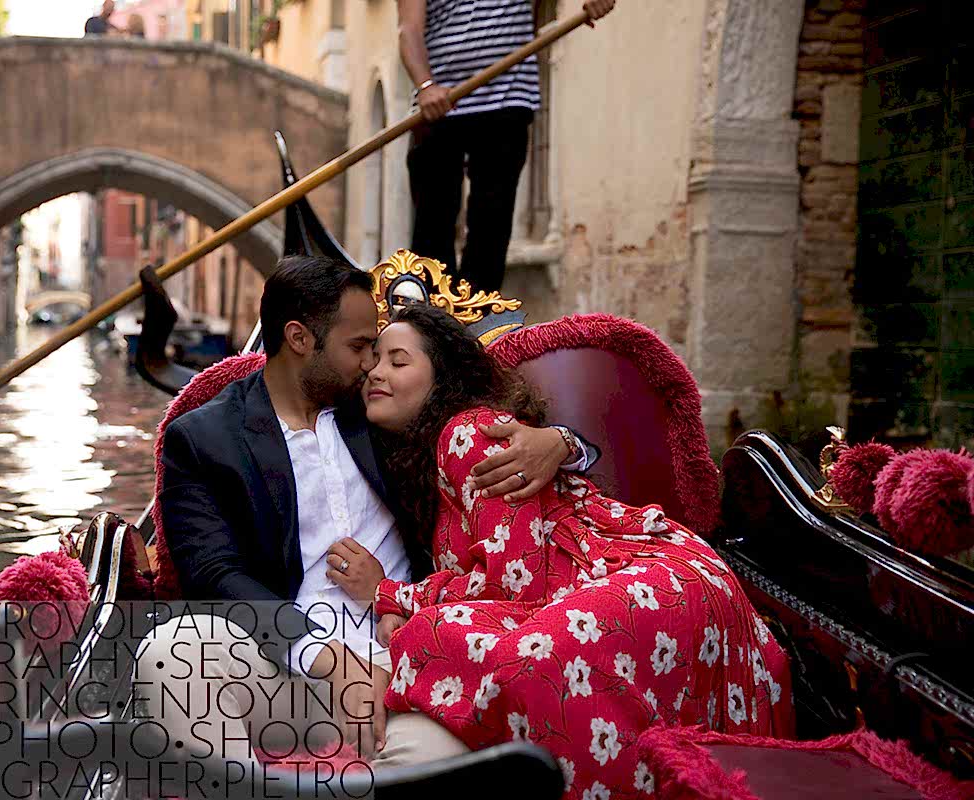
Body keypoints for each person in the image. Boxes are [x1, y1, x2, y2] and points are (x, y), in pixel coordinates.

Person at [138, 256, 592, 782]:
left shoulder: (381, 408)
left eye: (377, 351)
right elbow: (214, 575)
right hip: (286, 666)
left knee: (439, 762)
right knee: (174, 656)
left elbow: (487, 413)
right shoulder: (205, 439)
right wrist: (324, 655)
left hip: (410, 664)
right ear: (300, 339)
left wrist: (562, 442)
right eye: (358, 348)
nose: (370, 366)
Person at [339, 303, 794, 798]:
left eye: (398, 361)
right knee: (455, 637)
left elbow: (513, 579)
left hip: (647, 575)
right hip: (613, 581)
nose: (376, 373)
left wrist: (393, 594)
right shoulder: (417, 461)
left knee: (495, 649)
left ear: (441, 377)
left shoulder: (467, 432)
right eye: (373, 360)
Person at [399, 0, 616, 292]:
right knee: (431, 226)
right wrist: (426, 87)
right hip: (438, 106)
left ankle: (479, 322)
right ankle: (431, 321)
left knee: (491, 226)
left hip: (507, 99)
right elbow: (409, 29)